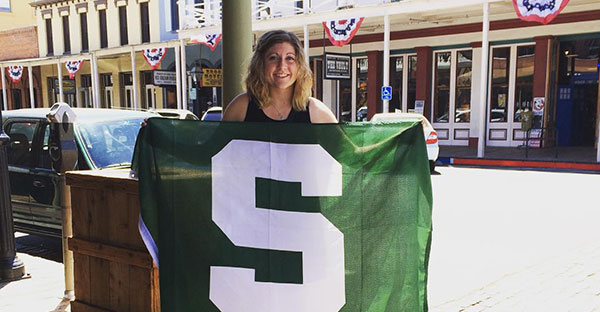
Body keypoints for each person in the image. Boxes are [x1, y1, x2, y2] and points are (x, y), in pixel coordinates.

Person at [223, 30, 337, 123]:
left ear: (299, 65)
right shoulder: (241, 106)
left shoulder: (316, 111)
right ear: (261, 64)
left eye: (290, 58)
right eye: (273, 58)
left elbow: (345, 150)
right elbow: (217, 148)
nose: (282, 66)